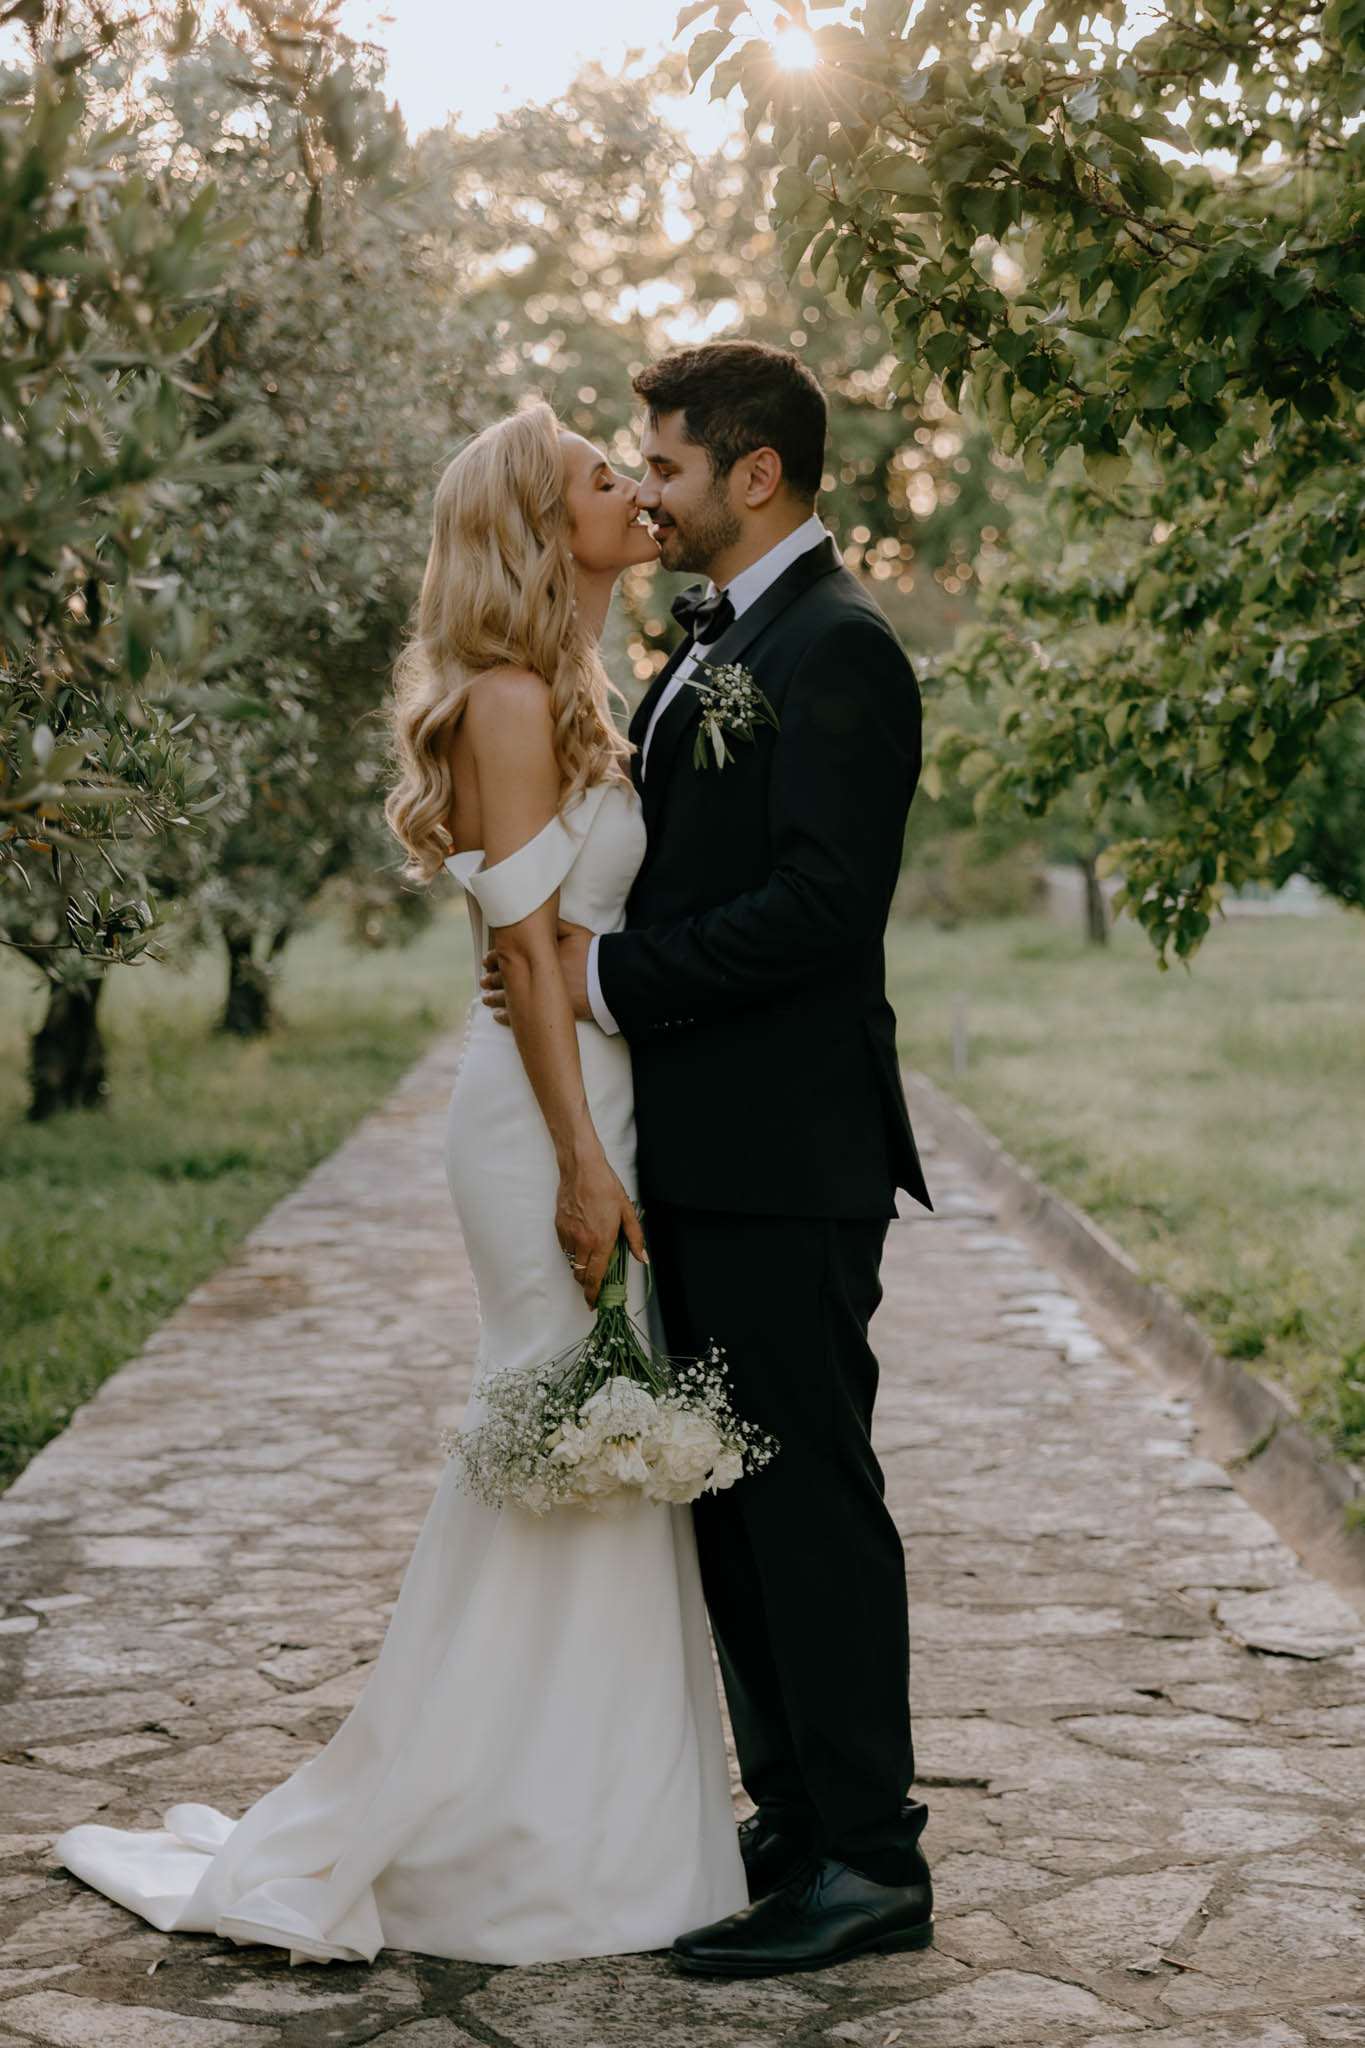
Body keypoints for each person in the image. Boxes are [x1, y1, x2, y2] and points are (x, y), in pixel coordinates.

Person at [50, 401, 748, 1967]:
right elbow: (518, 952)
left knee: (601, 1459)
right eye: (598, 475)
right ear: (531, 524)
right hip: (545, 1121)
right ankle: (487, 1834)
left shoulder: (584, 684)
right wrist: (580, 1162)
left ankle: (590, 1823)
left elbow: (581, 937)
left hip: (603, 1089)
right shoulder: (506, 701)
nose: (632, 487)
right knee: (556, 1434)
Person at [484, 340, 935, 1978]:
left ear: (754, 474)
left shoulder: (839, 651)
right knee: (730, 1502)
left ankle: (874, 1858)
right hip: (702, 1150)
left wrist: (599, 975)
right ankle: (800, 1815)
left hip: (787, 1155)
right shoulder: (720, 643)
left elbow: (822, 911)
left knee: (807, 1504)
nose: (647, 493)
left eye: (662, 466)